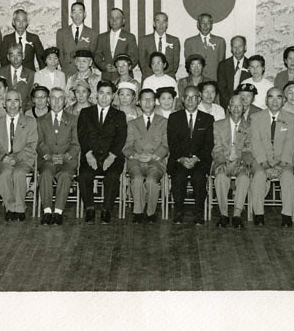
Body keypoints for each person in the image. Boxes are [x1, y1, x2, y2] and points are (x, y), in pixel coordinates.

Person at [0, 89, 38, 221]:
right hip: (2, 159)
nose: (12, 104)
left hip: (23, 159)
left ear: (21, 103)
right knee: (4, 174)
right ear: (4, 104)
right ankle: (11, 207)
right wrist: (4, 157)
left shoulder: (30, 121)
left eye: (16, 100)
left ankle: (20, 208)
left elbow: (32, 145)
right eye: (9, 100)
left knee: (19, 173)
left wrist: (16, 158)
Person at [77, 81, 128, 223]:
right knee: (84, 175)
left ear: (113, 97)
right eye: (101, 93)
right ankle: (90, 208)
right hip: (90, 155)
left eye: (108, 94)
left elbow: (121, 138)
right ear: (96, 94)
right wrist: (88, 155)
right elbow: (82, 136)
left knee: (112, 175)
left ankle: (107, 209)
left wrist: (111, 157)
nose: (104, 97)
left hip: (111, 156)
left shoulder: (119, 115)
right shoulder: (85, 113)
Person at [249, 87, 294, 227]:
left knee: (288, 177)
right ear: (266, 100)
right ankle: (258, 213)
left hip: (283, 160)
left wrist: (281, 165)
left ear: (283, 101)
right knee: (258, 176)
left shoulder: (290, 118)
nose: (275, 101)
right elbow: (255, 143)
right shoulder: (256, 117)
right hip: (262, 160)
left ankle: (287, 214)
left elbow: (290, 142)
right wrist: (265, 165)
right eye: (271, 97)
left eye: (279, 97)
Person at [167, 85, 214, 224]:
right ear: (182, 99)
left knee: (199, 178)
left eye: (194, 97)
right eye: (187, 97)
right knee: (179, 177)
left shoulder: (208, 119)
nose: (190, 100)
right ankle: (179, 211)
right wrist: (181, 158)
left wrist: (196, 158)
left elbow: (208, 144)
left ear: (199, 99)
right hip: (179, 159)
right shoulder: (174, 117)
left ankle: (199, 212)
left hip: (199, 160)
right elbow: (172, 142)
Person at [123, 88, 168, 223]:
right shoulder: (132, 123)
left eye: (150, 99)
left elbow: (166, 145)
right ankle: (137, 212)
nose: (147, 103)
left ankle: (151, 212)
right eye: (144, 99)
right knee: (136, 179)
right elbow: (127, 147)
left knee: (150, 180)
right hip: (136, 160)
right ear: (138, 102)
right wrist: (136, 155)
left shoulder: (163, 122)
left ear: (155, 102)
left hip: (155, 161)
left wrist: (153, 156)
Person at [36, 87, 80, 224]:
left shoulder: (74, 120)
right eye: (53, 98)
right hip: (47, 160)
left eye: (60, 98)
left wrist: (66, 156)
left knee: (65, 175)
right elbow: (39, 143)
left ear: (65, 101)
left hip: (67, 160)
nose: (56, 101)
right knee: (45, 174)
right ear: (48, 101)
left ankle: (59, 212)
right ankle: (47, 211)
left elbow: (76, 144)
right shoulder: (41, 120)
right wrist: (48, 156)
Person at [211, 95, 254, 228]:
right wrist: (221, 161)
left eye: (239, 105)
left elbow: (249, 149)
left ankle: (237, 214)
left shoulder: (249, 127)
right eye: (233, 105)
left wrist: (244, 162)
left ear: (244, 108)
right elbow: (216, 147)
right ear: (228, 108)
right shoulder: (217, 125)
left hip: (240, 162)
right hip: (222, 160)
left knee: (244, 177)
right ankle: (223, 214)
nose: (236, 109)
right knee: (221, 177)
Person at [94, 7, 139, 83]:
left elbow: (134, 58)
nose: (114, 20)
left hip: (125, 78)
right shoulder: (102, 37)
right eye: (112, 18)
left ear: (123, 21)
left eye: (117, 18)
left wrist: (120, 67)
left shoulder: (129, 37)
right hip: (106, 77)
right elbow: (97, 56)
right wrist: (104, 66)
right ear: (109, 20)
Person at [56, 1, 99, 76]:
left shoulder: (93, 34)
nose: (77, 15)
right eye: (74, 12)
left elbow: (93, 55)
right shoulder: (61, 33)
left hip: (85, 74)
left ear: (84, 14)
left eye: (80, 12)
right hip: (67, 73)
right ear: (71, 14)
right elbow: (60, 55)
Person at [0, 42, 35, 113]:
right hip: (2, 113)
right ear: (8, 57)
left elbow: (31, 99)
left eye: (18, 55)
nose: (16, 59)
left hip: (23, 113)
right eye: (12, 56)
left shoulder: (31, 74)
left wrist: (25, 111)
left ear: (23, 55)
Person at [183, 13, 226, 81]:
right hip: (196, 80)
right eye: (203, 23)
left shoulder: (220, 41)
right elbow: (189, 65)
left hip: (214, 80)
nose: (205, 26)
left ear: (211, 25)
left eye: (208, 23)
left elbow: (222, 65)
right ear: (198, 25)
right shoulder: (189, 42)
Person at [138, 12, 180, 79]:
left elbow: (175, 63)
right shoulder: (143, 40)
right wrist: (150, 76)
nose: (161, 25)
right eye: (158, 22)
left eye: (164, 22)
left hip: (168, 78)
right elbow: (142, 62)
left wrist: (166, 76)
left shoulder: (174, 40)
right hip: (149, 77)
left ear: (167, 24)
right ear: (154, 24)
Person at [217, 35, 251, 110]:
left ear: (245, 47)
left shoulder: (250, 65)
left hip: (245, 106)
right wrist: (232, 104)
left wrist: (241, 104)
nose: (237, 50)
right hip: (227, 106)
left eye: (240, 46)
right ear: (231, 48)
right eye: (234, 47)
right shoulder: (223, 65)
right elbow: (222, 88)